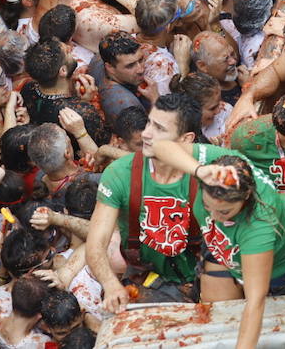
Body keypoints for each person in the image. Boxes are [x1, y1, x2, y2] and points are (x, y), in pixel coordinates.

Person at [150, 147, 285, 342]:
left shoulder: (259, 226)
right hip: (223, 246)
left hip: (279, 265)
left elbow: (255, 303)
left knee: (273, 321)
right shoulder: (222, 171)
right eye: (207, 207)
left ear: (246, 197)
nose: (214, 218)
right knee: (219, 318)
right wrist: (198, 169)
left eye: (224, 212)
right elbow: (158, 147)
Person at [87, 93, 205, 312]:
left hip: (202, 273)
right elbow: (95, 244)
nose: (147, 134)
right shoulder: (120, 174)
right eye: (149, 122)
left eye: (160, 129)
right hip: (146, 277)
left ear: (186, 139)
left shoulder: (206, 169)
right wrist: (110, 283)